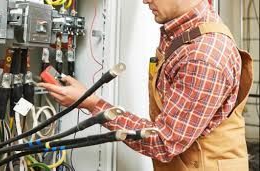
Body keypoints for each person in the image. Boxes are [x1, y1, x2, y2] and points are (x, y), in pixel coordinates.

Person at [39, 0, 253, 170]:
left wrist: (93, 104)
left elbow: (163, 141)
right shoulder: (185, 32)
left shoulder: (203, 56)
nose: (144, 1)